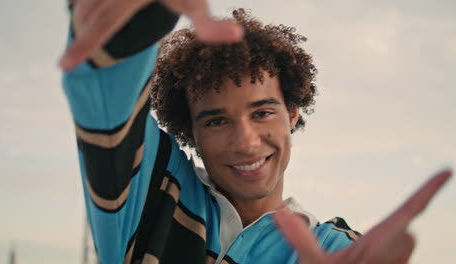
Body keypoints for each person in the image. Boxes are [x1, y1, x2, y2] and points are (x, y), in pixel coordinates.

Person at [60, 0, 452, 264]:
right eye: (215, 121)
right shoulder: (150, 195)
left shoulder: (332, 249)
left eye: (262, 112)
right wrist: (123, 29)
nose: (246, 142)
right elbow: (108, 92)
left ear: (292, 113)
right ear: (191, 131)